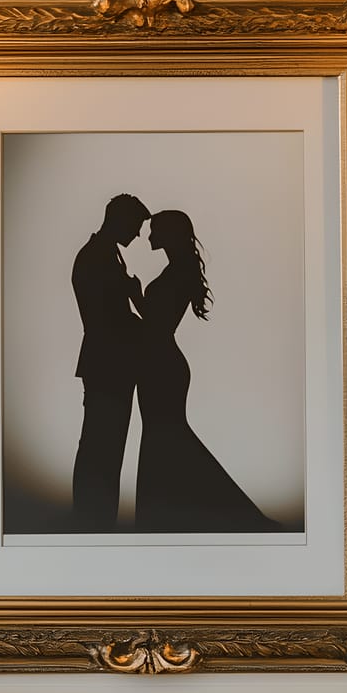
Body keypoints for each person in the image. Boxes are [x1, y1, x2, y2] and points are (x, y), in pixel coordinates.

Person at [135, 209, 274, 533]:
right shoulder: (178, 269)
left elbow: (158, 322)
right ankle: (164, 512)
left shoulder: (178, 272)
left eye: (154, 230)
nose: (149, 236)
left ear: (168, 234)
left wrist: (133, 294)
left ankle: (171, 513)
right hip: (159, 362)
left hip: (161, 365)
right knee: (164, 435)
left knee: (165, 434)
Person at [71, 193, 150, 530]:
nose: (137, 235)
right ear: (119, 220)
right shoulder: (96, 257)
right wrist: (133, 299)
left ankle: (100, 517)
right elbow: (103, 318)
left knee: (109, 444)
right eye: (135, 226)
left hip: (113, 363)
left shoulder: (107, 255)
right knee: (99, 445)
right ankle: (92, 519)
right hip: (108, 364)